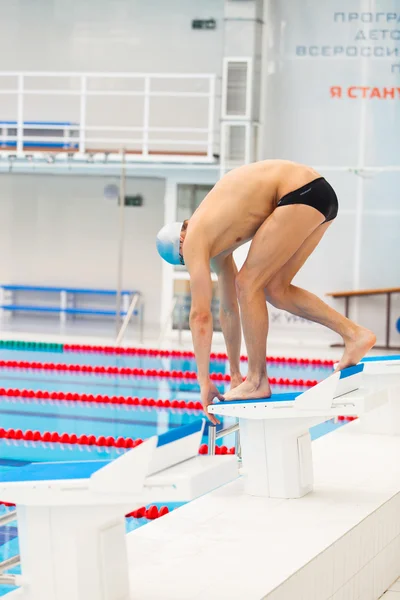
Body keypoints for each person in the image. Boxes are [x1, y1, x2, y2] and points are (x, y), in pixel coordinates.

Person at [156, 160, 376, 423]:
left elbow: (200, 316)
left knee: (248, 283)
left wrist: (203, 382)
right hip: (320, 195)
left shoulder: (194, 239)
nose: (192, 264)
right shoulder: (217, 245)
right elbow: (228, 311)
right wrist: (233, 373)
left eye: (185, 260)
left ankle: (258, 379)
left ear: (182, 241)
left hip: (298, 192)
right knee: (276, 289)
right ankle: (355, 335)